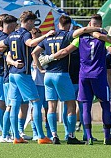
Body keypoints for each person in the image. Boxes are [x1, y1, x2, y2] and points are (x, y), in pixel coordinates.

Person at [32, 15, 102, 144]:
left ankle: (54, 135)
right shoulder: (67, 35)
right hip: (61, 74)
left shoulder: (49, 36)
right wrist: (97, 28)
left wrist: (40, 68)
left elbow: (34, 52)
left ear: (58, 24)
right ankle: (70, 136)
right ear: (69, 25)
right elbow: (82, 31)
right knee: (70, 104)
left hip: (48, 75)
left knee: (51, 106)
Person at [0, 11, 55, 144]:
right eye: (33, 22)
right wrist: (46, 35)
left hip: (12, 74)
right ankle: (41, 136)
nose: (33, 25)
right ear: (28, 21)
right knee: (36, 102)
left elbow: (0, 45)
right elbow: (30, 43)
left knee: (15, 104)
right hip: (23, 73)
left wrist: (11, 52)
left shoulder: (12, 34)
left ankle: (16, 137)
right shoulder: (24, 33)